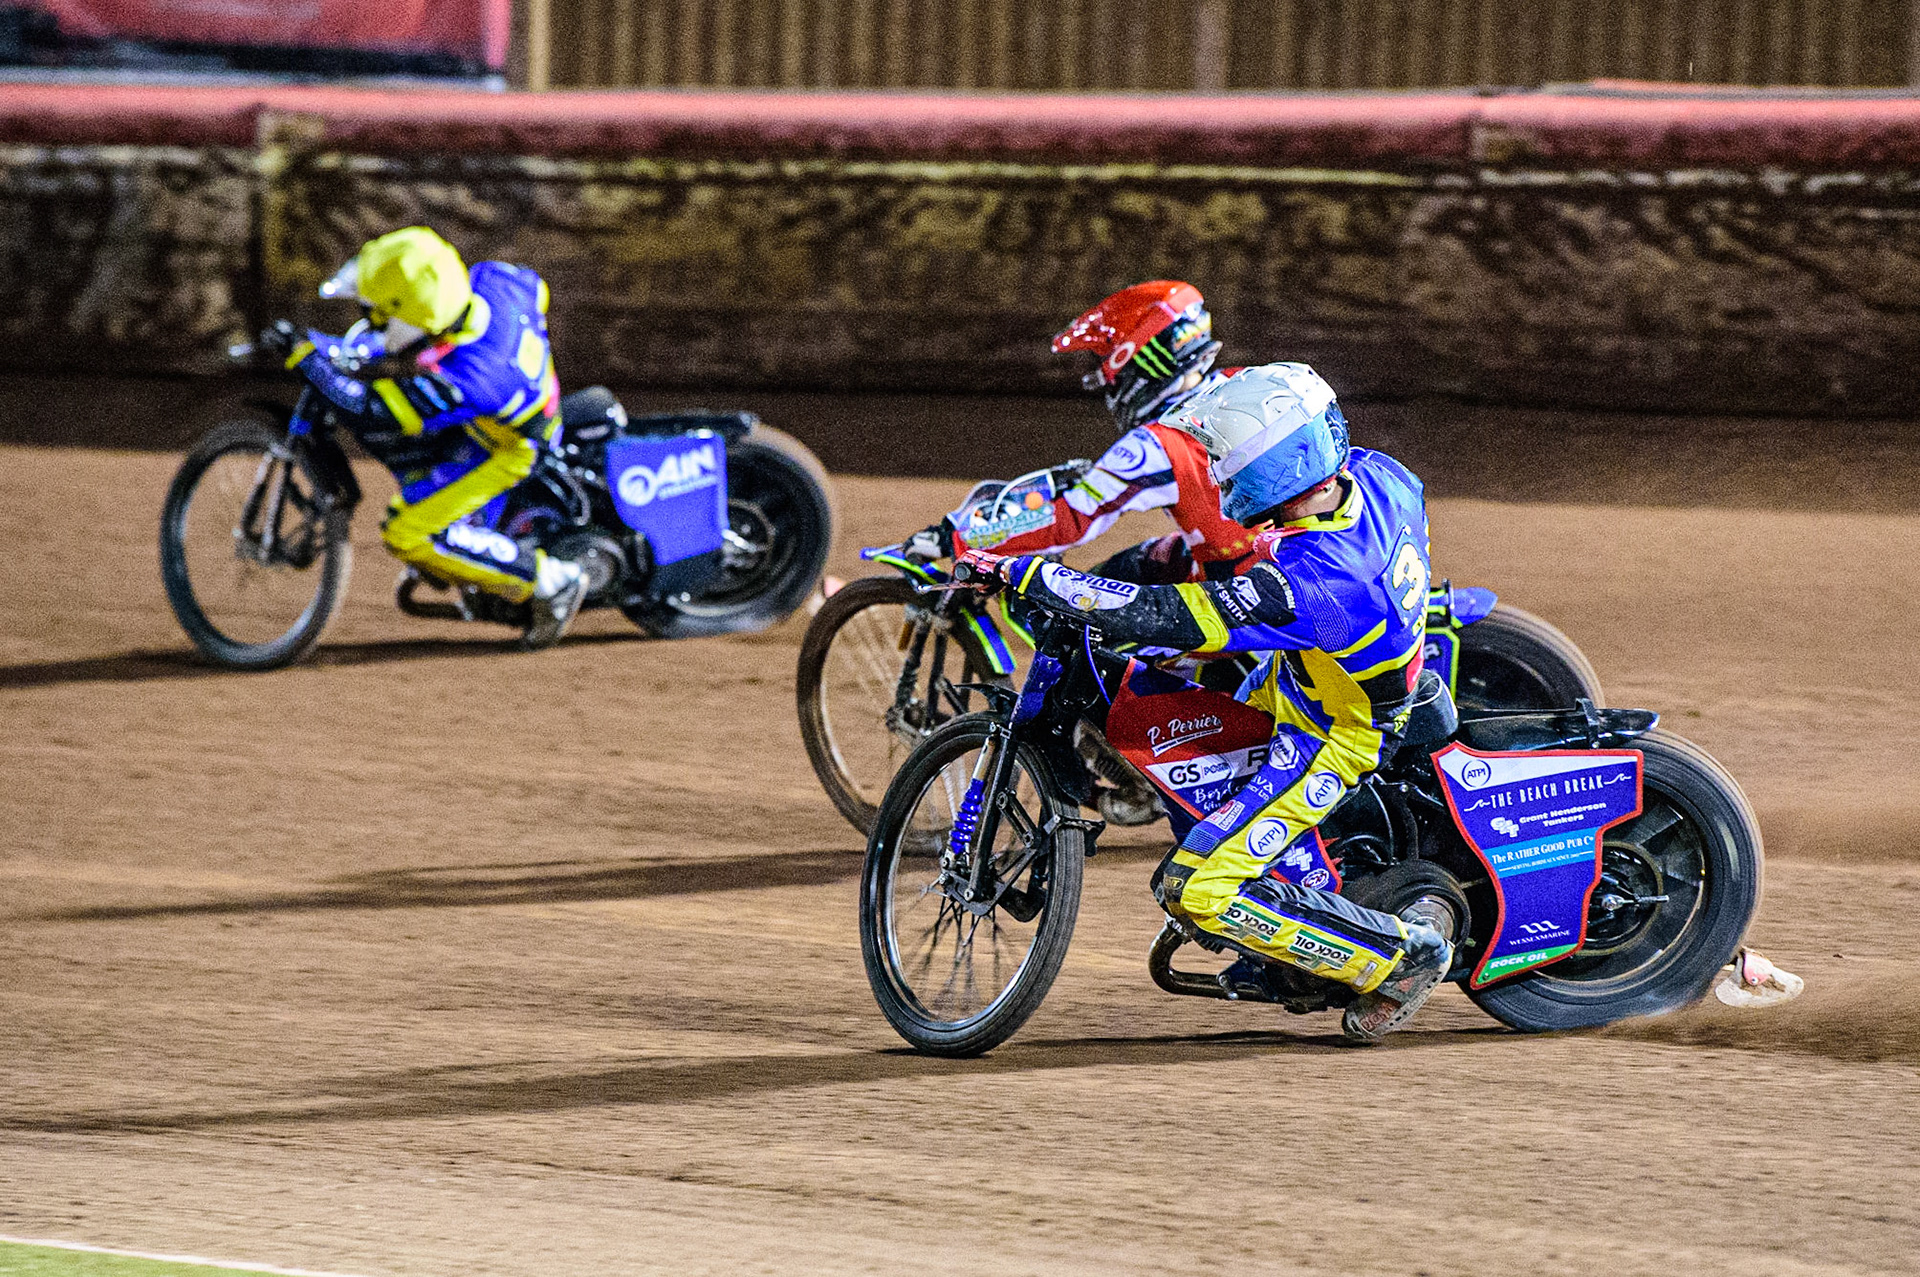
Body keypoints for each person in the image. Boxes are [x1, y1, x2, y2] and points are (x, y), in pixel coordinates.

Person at [956, 363, 1453, 1043]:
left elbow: (1166, 615)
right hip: (1313, 673)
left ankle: (1396, 957)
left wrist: (1037, 575)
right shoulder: (1378, 475)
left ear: (1277, 466)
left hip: (1334, 733)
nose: (1217, 475)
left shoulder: (1313, 582)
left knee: (1195, 889)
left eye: (1228, 460)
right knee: (1190, 761)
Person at [259, 226, 588, 648]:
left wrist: (308, 359)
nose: (370, 319)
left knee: (407, 531)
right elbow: (534, 290)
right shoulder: (494, 280)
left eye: (377, 312)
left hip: (511, 450)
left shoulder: (472, 380)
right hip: (512, 402)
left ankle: (548, 582)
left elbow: (372, 411)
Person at [935, 280, 1263, 585]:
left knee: (1083, 627)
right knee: (1135, 568)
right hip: (1292, 565)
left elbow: (1069, 521)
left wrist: (953, 539)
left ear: (1143, 358)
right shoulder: (1253, 383)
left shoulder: (1158, 444)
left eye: (1109, 361)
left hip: (1247, 609)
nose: (1109, 378)